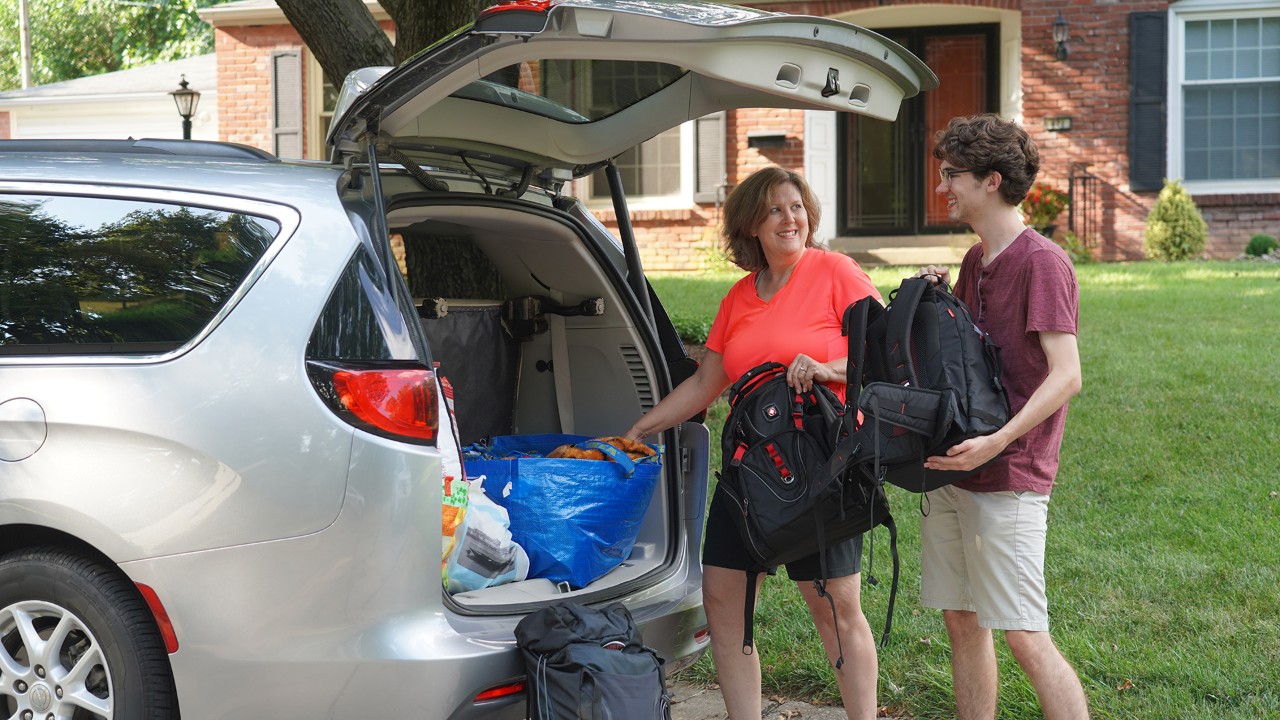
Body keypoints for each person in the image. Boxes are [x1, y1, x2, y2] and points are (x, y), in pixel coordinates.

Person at [624, 166, 883, 720]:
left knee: (831, 603)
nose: (790, 219)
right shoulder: (739, 297)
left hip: (821, 461)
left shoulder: (836, 272)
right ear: (751, 227)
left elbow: (883, 357)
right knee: (722, 593)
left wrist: (826, 367)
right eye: (774, 210)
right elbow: (704, 383)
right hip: (751, 465)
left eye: (796, 206)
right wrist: (645, 427)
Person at [916, 114, 1088, 720]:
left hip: (1010, 472)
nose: (944, 187)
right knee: (962, 621)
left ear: (991, 180)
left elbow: (1066, 375)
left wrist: (998, 442)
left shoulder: (1042, 263)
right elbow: (966, 358)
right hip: (957, 470)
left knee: (1023, 634)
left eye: (952, 176)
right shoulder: (975, 258)